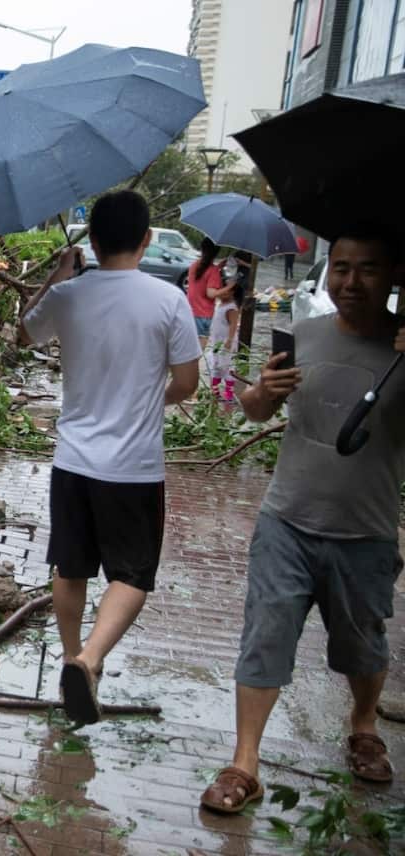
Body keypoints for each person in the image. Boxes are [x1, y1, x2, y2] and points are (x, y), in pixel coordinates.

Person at [200, 227, 405, 814]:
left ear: (393, 275)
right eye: (340, 267)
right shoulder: (304, 335)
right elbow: (254, 409)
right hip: (285, 521)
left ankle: (364, 725)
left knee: (362, 645)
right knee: (264, 635)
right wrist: (263, 390)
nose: (350, 281)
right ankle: (245, 763)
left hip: (365, 532)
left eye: (366, 268)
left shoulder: (401, 348)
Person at [19, 190, 201, 725]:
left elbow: (22, 331)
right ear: (146, 240)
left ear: (92, 241)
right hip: (133, 468)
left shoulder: (68, 295)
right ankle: (91, 660)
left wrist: (58, 273)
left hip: (72, 461)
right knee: (132, 572)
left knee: (70, 566)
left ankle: (70, 656)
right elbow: (187, 383)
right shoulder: (168, 301)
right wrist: (151, 397)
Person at [206, 278, 243, 402]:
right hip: (217, 342)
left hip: (226, 342)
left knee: (227, 366)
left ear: (231, 292)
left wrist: (229, 340)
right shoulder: (220, 304)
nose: (220, 292)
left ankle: (229, 393)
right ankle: (214, 390)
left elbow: (233, 325)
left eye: (223, 290)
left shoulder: (231, 308)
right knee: (216, 364)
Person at [186, 237, 222, 348]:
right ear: (216, 253)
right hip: (203, 314)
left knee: (189, 346)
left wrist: (219, 266)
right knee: (199, 349)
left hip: (189, 311)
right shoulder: (213, 270)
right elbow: (210, 293)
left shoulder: (194, 265)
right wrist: (229, 287)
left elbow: (202, 278)